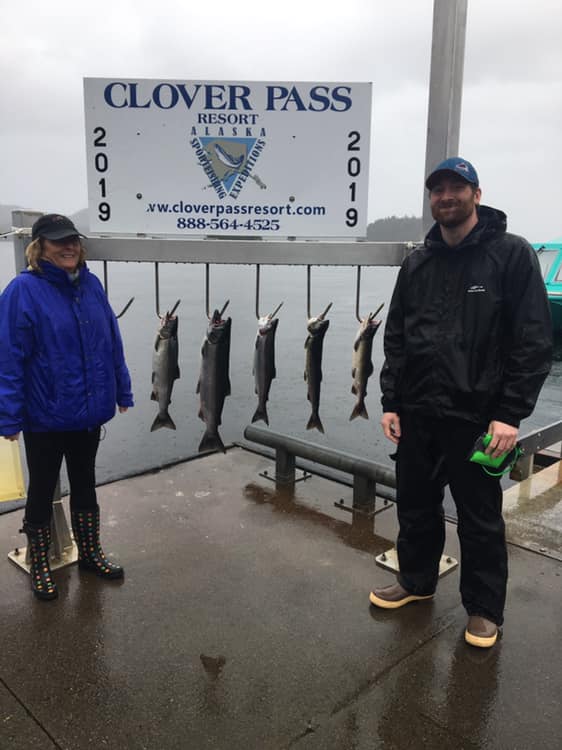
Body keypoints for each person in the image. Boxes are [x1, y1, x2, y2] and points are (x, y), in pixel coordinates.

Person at [370, 157, 552, 647]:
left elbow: (533, 341)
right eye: (437, 190)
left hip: (479, 420)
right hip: (417, 413)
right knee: (415, 506)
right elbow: (397, 338)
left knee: (479, 518)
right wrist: (391, 401)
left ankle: (484, 609)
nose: (445, 197)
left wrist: (509, 414)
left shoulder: (511, 256)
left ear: (476, 193)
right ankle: (415, 581)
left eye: (456, 187)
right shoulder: (417, 263)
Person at [0, 214, 134, 600]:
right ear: (39, 247)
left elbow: (112, 341)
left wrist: (122, 391)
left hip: (88, 412)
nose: (68, 247)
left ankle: (90, 553)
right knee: (41, 488)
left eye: (72, 240)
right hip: (44, 416)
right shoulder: (21, 291)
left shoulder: (91, 285)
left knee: (85, 483)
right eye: (58, 242)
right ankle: (40, 564)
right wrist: (8, 415)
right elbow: (8, 358)